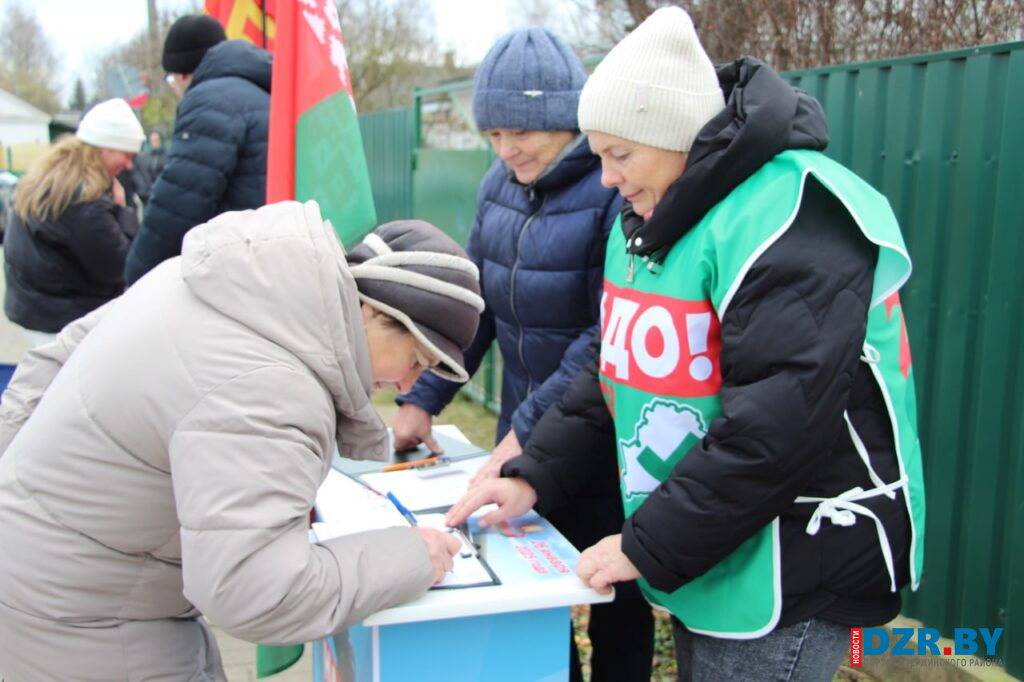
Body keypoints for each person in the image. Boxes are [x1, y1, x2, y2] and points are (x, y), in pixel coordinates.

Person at [448, 7, 925, 681]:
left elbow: (775, 429)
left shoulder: (790, 217)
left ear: (674, 135)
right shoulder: (654, 216)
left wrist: (646, 544)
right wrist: (534, 475)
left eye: (619, 155)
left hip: (792, 567)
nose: (606, 178)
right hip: (711, 548)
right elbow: (615, 371)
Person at [0, 201, 484, 681]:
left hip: (53, 580)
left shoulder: (214, 282)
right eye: (416, 360)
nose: (406, 385)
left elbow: (46, 367)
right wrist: (412, 556)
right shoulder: (276, 385)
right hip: (89, 621)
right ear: (375, 312)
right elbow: (256, 593)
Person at [391, 27, 653, 682]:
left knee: (614, 596)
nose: (507, 149)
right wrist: (423, 399)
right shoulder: (497, 187)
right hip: (526, 432)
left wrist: (523, 434)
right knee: (533, 595)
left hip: (606, 443)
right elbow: (474, 309)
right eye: (494, 134)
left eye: (522, 132)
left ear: (565, 119)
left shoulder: (611, 193)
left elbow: (604, 337)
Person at [124, 14, 271, 284]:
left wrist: (135, 278)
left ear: (182, 73)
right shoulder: (265, 92)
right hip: (272, 253)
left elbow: (178, 203)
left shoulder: (208, 99)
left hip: (236, 267)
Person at [3, 98, 145, 347]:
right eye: (127, 153)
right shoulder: (84, 200)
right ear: (105, 147)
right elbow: (121, 266)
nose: (129, 164)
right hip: (63, 320)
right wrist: (123, 211)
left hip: (33, 309)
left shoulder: (51, 179)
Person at [132, 129, 168, 210]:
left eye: (156, 140)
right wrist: (144, 192)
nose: (154, 143)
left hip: (163, 196)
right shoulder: (141, 158)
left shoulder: (167, 157)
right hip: (146, 197)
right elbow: (138, 175)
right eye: (152, 140)